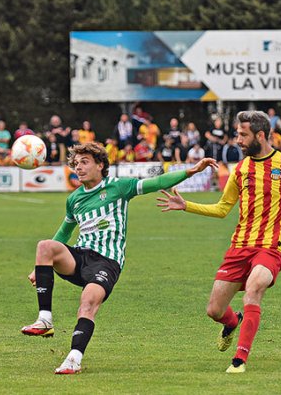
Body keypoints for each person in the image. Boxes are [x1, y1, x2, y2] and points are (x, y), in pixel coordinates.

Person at [21, 141, 218, 374]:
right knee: (45, 245)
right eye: (76, 164)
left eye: (85, 162)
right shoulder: (73, 199)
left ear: (100, 165)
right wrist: (40, 266)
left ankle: (73, 359)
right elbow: (64, 234)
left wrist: (191, 170)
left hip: (107, 262)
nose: (79, 167)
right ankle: (45, 320)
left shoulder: (119, 187)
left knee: (87, 304)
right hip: (80, 257)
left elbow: (157, 182)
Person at [155, 110, 281, 374]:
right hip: (239, 248)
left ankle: (240, 359)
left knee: (255, 288)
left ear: (261, 135)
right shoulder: (241, 169)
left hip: (269, 249)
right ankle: (232, 323)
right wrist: (186, 205)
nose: (238, 141)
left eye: (243, 135)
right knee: (214, 310)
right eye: (237, 135)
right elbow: (222, 209)